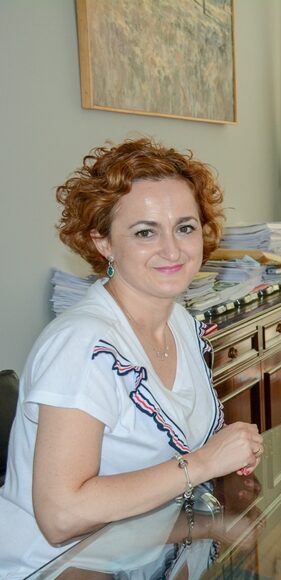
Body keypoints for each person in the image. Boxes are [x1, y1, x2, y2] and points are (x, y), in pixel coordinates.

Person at [0, 138, 264, 577]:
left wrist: (211, 516)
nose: (173, 250)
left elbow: (161, 469)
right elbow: (61, 516)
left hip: (140, 552)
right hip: (55, 568)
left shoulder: (179, 321)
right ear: (102, 242)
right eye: (145, 232)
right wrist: (204, 463)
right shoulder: (84, 346)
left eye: (185, 227)